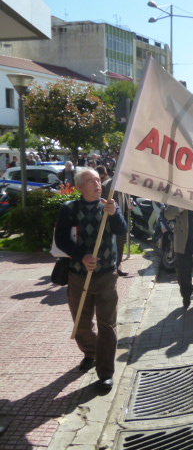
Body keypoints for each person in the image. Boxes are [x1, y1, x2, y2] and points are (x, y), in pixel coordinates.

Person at [54, 167, 127, 391]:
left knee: (107, 325)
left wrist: (115, 214)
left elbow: (121, 230)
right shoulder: (69, 208)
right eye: (90, 181)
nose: (97, 184)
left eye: (98, 179)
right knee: (81, 324)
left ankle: (105, 372)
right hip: (78, 274)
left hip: (106, 275)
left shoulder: (109, 206)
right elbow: (61, 240)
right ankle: (91, 352)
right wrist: (82, 257)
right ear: (79, 187)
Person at [97, 165, 129, 277]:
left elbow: (124, 201)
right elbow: (102, 204)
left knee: (120, 244)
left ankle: (118, 265)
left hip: (121, 219)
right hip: (111, 222)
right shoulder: (107, 185)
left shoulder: (124, 186)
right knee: (113, 245)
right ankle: (113, 267)